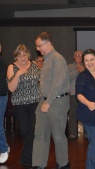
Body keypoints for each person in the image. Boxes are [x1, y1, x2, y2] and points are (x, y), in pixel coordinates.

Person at [33, 32, 71, 169]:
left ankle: (63, 164)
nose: (37, 49)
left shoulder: (57, 58)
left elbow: (58, 83)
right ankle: (38, 164)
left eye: (39, 46)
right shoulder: (47, 59)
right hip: (44, 101)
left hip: (56, 101)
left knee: (58, 135)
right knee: (40, 134)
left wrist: (48, 102)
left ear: (47, 43)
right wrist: (43, 101)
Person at [7, 44, 40, 168]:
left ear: (28, 55)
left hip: (35, 102)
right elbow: (11, 88)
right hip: (20, 104)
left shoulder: (34, 65)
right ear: (15, 57)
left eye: (25, 55)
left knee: (32, 131)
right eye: (20, 55)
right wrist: (18, 74)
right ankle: (26, 158)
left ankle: (28, 160)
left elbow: (39, 81)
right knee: (25, 131)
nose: (23, 57)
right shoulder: (12, 67)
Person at [67, 50, 85, 140]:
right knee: (73, 114)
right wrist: (77, 71)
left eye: (80, 55)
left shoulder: (86, 66)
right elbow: (66, 77)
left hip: (84, 94)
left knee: (85, 114)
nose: (78, 56)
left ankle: (87, 133)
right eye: (76, 55)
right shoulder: (69, 66)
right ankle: (73, 133)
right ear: (73, 57)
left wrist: (83, 71)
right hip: (73, 94)